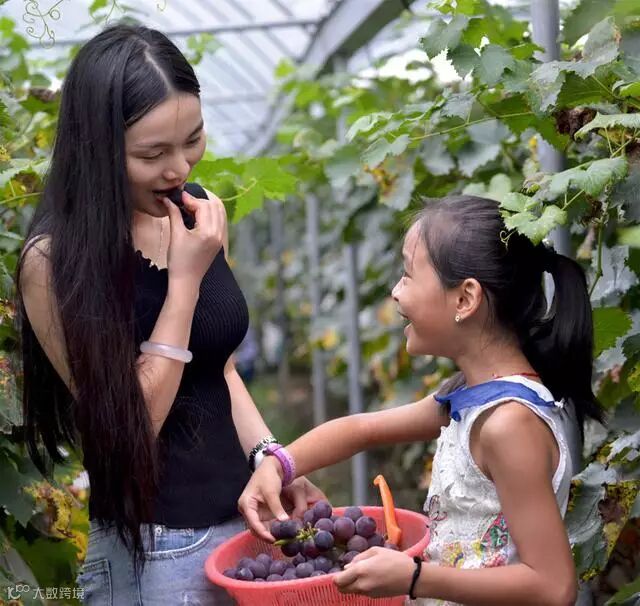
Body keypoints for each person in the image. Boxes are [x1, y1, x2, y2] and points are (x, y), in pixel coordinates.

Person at [16, 23, 324, 605]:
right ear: (97, 149)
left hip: (243, 528)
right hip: (157, 550)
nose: (179, 168)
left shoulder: (198, 212)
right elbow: (130, 431)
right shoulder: (54, 260)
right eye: (152, 154)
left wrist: (273, 461)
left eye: (193, 139)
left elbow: (220, 370)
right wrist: (183, 283)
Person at [238, 195, 604, 606]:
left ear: (465, 299)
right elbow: (361, 429)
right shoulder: (468, 396)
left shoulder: (509, 425)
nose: (395, 292)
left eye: (408, 275)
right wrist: (279, 465)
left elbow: (553, 587)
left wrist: (414, 578)